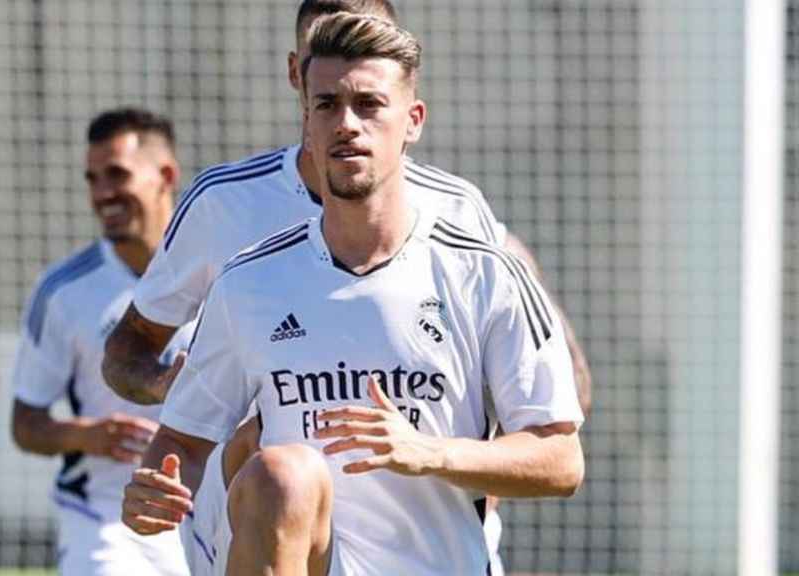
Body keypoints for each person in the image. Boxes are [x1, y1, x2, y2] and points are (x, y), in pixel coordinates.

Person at [106, 1, 592, 574]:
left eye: (369, 105)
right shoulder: (248, 278)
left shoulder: (482, 266)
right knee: (280, 474)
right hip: (300, 552)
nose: (347, 124)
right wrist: (155, 490)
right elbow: (180, 445)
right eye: (328, 105)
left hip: (441, 559)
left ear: (413, 120)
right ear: (305, 118)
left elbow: (561, 460)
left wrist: (426, 451)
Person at [10, 108, 190, 575]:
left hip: (205, 513)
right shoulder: (63, 291)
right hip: (105, 518)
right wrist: (85, 435)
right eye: (92, 179)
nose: (102, 193)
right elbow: (25, 422)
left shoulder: (223, 271)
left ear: (165, 175)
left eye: (117, 174)